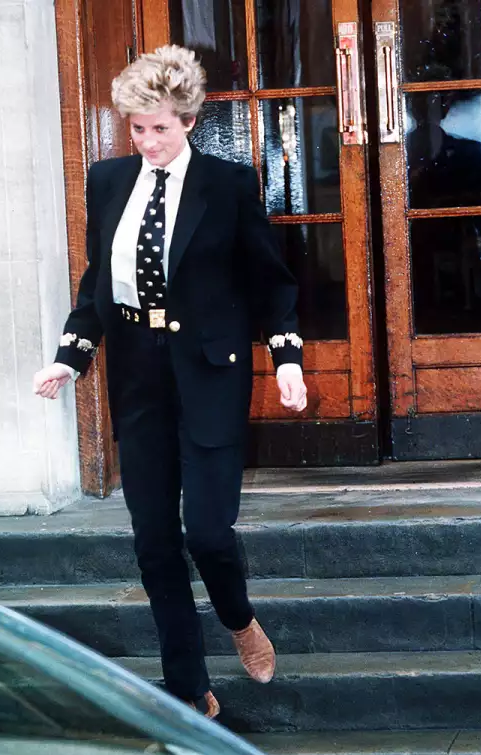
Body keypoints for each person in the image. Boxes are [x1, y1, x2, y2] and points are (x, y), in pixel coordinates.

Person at [34, 45, 307, 719]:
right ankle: (188, 687)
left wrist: (288, 357)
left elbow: (269, 282)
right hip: (138, 372)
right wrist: (71, 355)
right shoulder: (106, 182)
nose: (147, 141)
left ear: (188, 119)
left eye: (160, 127)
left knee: (208, 532)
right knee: (154, 539)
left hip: (210, 371)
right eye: (137, 128)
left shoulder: (228, 185)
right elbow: (98, 282)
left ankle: (239, 617)